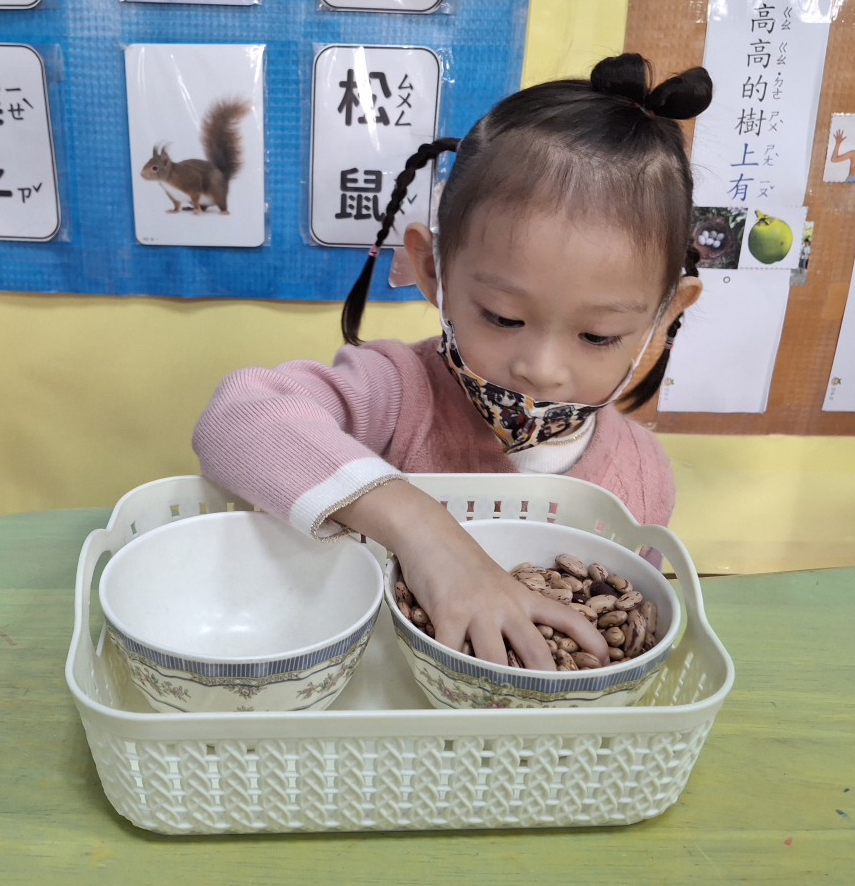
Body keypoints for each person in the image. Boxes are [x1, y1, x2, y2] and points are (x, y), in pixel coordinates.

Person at [192, 53, 711, 671]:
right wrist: (423, 530)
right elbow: (239, 416)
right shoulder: (393, 394)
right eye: (504, 318)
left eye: (597, 336)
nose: (542, 369)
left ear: (665, 314)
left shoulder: (643, 477)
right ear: (432, 270)